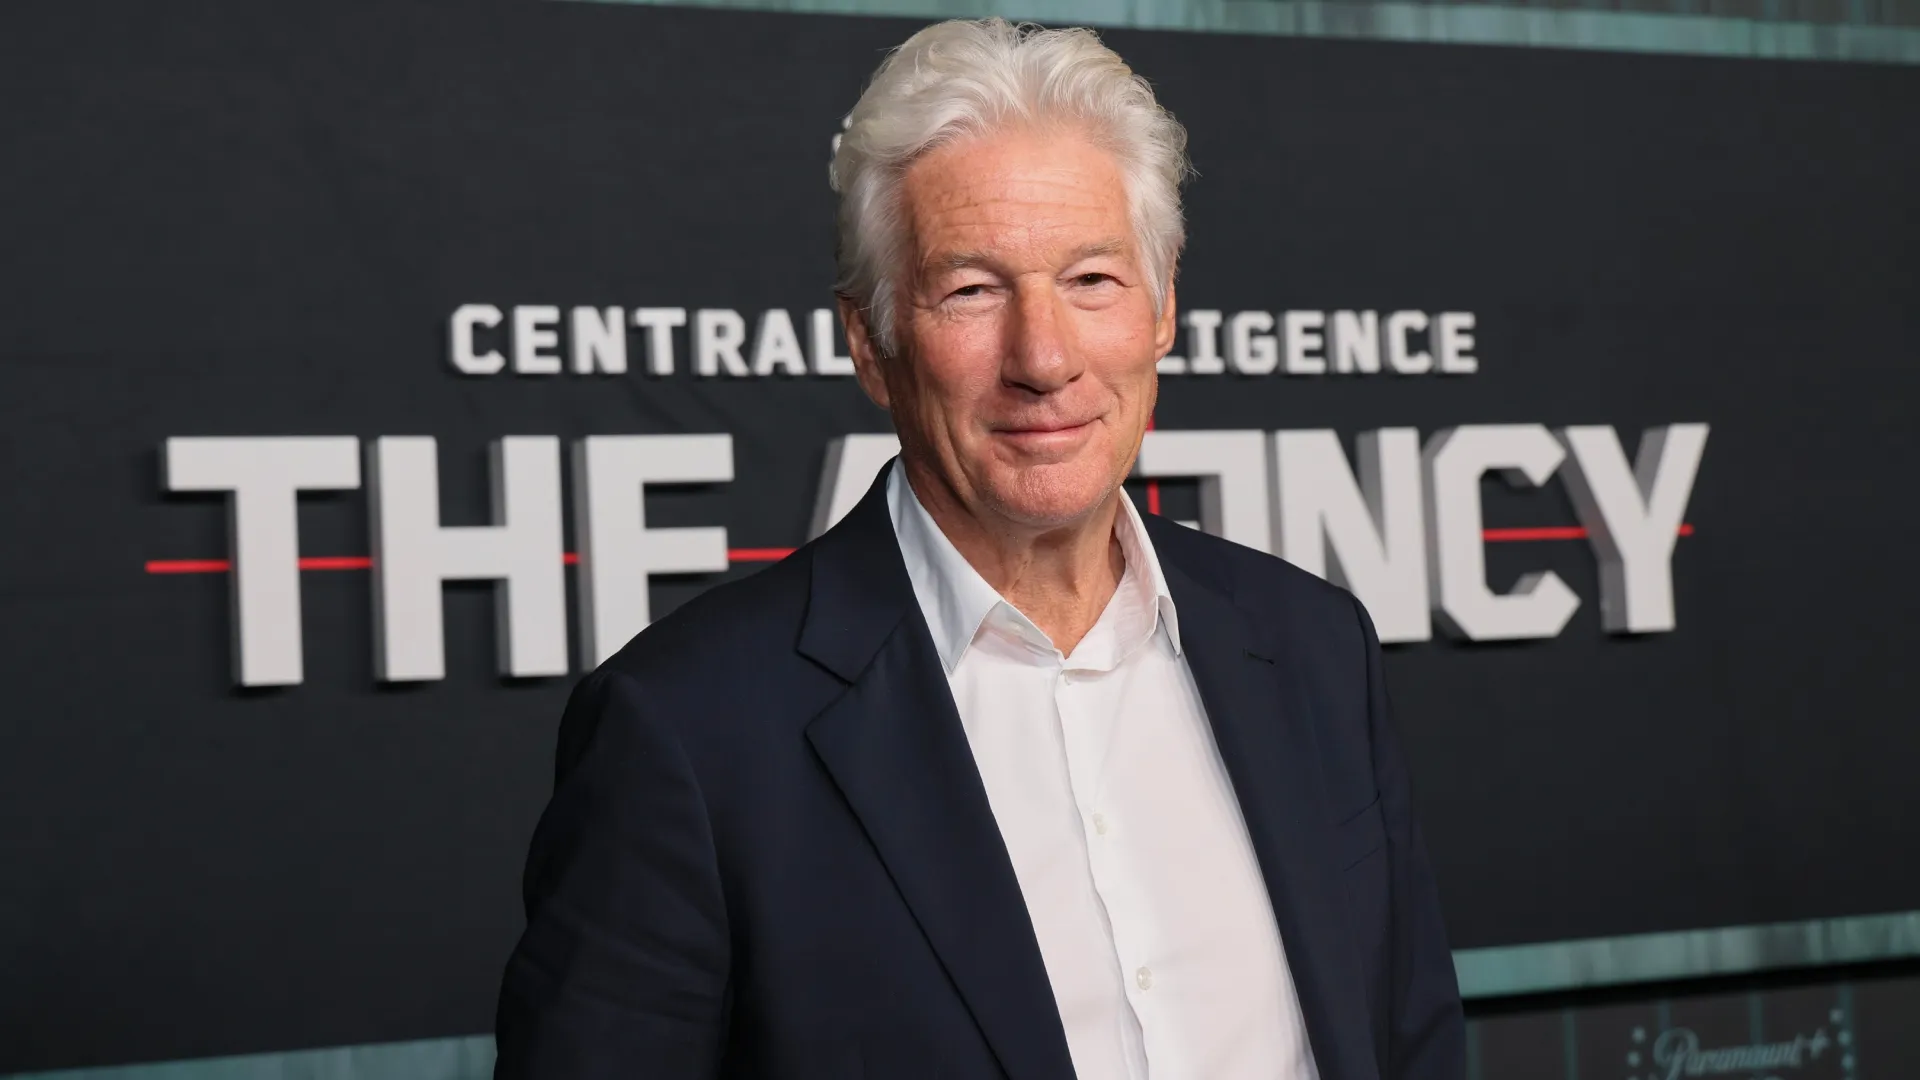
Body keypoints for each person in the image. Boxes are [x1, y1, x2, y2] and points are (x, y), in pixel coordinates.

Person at [494, 17, 1463, 1080]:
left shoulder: (1313, 646)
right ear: (871, 341)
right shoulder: (684, 733)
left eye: (1092, 279)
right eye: (971, 290)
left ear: (1163, 308)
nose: (1043, 358)